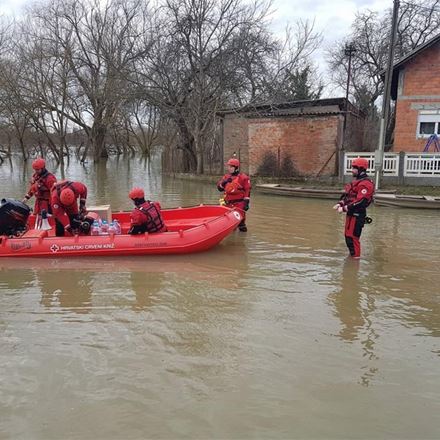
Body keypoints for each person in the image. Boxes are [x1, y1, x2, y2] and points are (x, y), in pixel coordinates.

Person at [333, 157, 374, 259]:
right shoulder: (357, 182)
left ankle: (355, 262)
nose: (352, 170)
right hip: (351, 214)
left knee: (353, 238)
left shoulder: (365, 184)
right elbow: (348, 196)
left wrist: (345, 208)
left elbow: (361, 201)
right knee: (348, 237)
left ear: (360, 169)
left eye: (354, 168)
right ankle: (352, 257)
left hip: (357, 215)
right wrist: (340, 204)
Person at [217, 158, 251, 232]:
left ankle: (242, 239)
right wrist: (224, 182)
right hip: (228, 204)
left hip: (239, 204)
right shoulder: (226, 177)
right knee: (229, 224)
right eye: (228, 166)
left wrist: (246, 203)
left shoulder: (243, 177)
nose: (229, 168)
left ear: (236, 168)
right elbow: (219, 188)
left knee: (241, 224)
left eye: (231, 167)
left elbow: (247, 190)